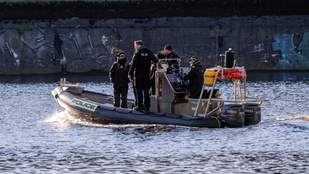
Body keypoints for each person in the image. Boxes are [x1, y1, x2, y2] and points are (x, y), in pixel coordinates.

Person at [128, 40, 159, 112]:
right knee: (146, 92)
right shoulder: (149, 51)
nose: (135, 47)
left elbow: (133, 64)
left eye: (135, 46)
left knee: (138, 91)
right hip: (146, 75)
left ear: (139, 46)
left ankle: (140, 106)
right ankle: (147, 107)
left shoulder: (137, 53)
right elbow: (156, 60)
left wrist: (130, 74)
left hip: (138, 75)